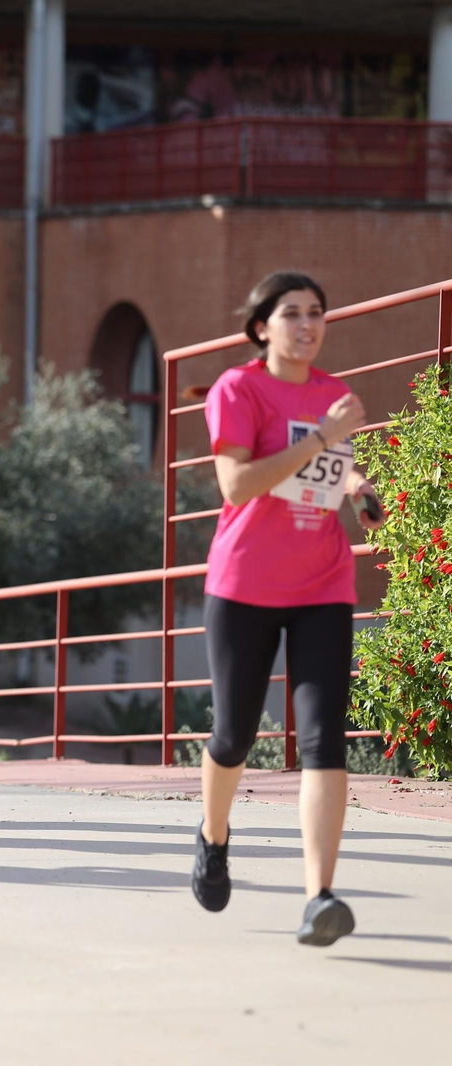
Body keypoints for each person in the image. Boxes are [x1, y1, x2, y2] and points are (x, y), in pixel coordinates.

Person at [192, 270, 385, 946]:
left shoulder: (335, 395)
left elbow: (326, 469)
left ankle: (319, 898)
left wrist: (358, 486)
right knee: (235, 737)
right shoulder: (238, 390)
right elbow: (238, 484)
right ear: (261, 328)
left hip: (323, 583)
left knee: (324, 739)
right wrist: (320, 438)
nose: (308, 325)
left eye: (317, 313)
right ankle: (214, 836)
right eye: (293, 313)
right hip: (245, 583)